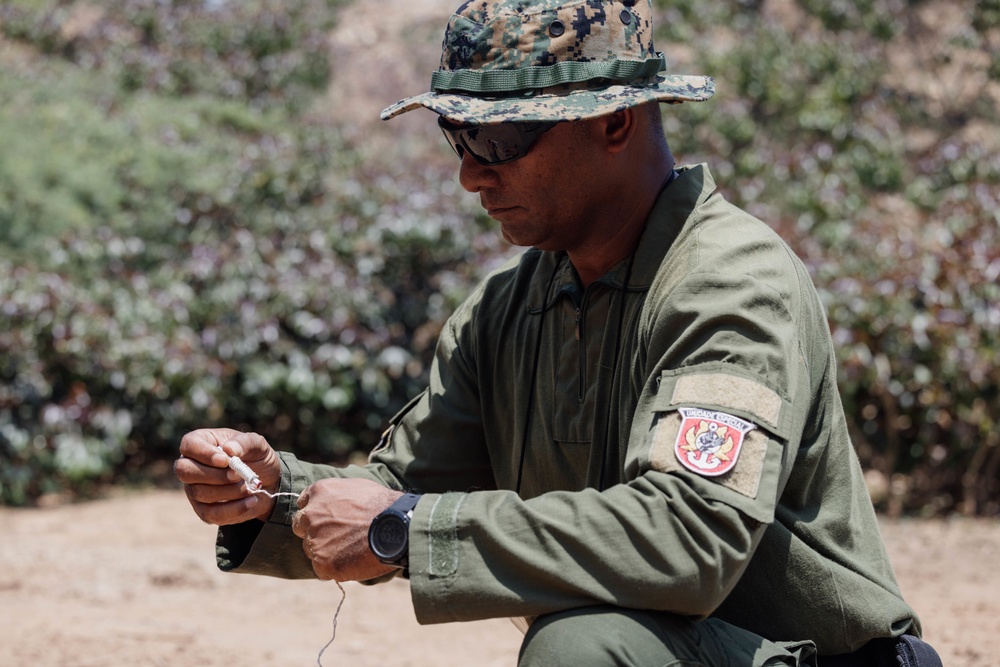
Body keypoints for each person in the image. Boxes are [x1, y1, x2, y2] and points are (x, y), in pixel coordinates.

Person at [174, 1, 941, 665]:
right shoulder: (508, 307)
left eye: (501, 139)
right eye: (458, 136)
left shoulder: (730, 281)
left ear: (614, 120)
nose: (472, 174)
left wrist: (402, 531)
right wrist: (269, 494)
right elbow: (398, 494)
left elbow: (689, 538)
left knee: (581, 646)